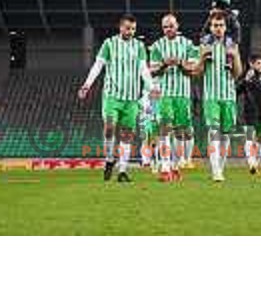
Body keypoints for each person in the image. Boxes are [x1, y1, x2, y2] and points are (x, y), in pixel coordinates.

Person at [78, 13, 152, 183]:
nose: (131, 31)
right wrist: (87, 85)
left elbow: (143, 70)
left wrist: (152, 87)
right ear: (120, 27)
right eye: (128, 28)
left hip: (132, 99)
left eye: (133, 29)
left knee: (127, 135)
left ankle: (123, 171)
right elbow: (98, 65)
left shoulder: (139, 46)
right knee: (109, 127)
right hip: (112, 96)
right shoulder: (109, 44)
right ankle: (110, 159)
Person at [193, 10, 242, 182]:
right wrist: (202, 59)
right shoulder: (204, 45)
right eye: (215, 25)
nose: (218, 28)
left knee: (226, 134)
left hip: (228, 96)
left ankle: (220, 167)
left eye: (221, 25)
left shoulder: (232, 46)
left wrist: (235, 57)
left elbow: (238, 74)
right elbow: (197, 72)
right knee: (213, 131)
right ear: (211, 27)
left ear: (225, 27)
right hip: (211, 96)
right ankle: (215, 170)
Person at [149, 13, 198, 180]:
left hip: (182, 94)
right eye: (165, 27)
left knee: (179, 132)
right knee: (164, 129)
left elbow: (192, 69)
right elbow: (152, 71)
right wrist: (164, 64)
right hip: (164, 94)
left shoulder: (188, 44)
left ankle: (176, 166)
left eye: (171, 26)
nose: (168, 29)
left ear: (177, 26)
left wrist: (180, 63)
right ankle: (164, 167)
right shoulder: (156, 46)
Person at [139, 80, 161, 174]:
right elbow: (141, 105)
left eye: (157, 93)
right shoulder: (143, 100)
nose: (155, 94)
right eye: (153, 92)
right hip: (145, 119)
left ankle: (155, 161)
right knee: (145, 140)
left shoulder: (160, 103)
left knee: (155, 141)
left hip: (156, 119)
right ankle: (146, 160)